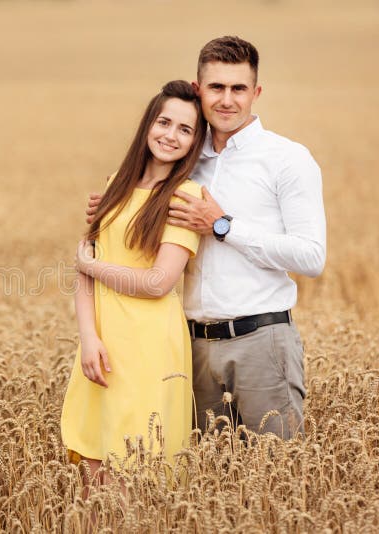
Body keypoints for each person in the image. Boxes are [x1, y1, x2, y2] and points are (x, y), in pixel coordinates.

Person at [84, 36, 326, 440]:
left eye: (238, 88)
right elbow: (141, 201)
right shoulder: (185, 160)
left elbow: (311, 257)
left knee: (277, 479)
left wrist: (223, 225)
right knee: (209, 486)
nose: (227, 99)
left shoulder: (287, 158)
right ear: (199, 89)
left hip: (261, 342)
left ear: (256, 93)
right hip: (190, 348)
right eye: (216, 87)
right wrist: (114, 208)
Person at [60, 80, 207, 490]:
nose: (170, 135)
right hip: (102, 342)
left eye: (185, 130)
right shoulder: (114, 186)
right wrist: (88, 338)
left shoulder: (184, 196)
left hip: (148, 346)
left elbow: (158, 282)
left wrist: (91, 266)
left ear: (195, 142)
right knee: (92, 465)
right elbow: (83, 271)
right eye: (164, 122)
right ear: (148, 124)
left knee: (134, 467)